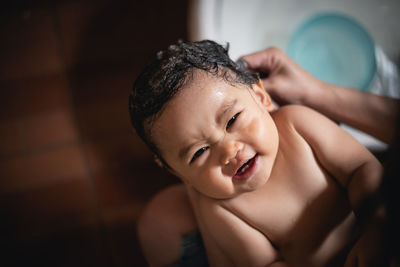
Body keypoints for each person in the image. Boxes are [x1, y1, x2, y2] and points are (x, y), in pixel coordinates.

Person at [130, 40, 385, 266]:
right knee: (155, 225)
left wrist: (376, 224)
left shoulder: (298, 125)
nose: (229, 151)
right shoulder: (223, 210)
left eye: (232, 121)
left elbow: (361, 169)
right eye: (200, 152)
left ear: (261, 96)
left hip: (381, 231)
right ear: (175, 171)